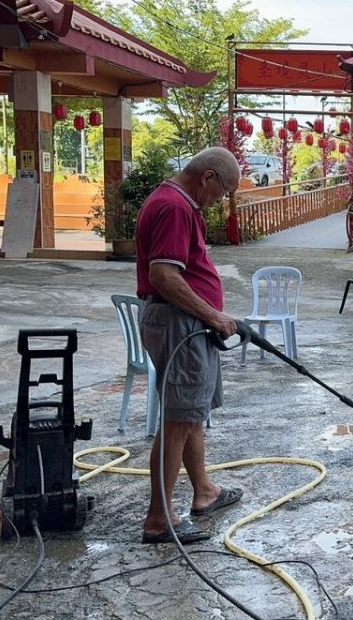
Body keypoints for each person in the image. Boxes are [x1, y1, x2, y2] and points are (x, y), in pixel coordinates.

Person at [136, 147, 243, 544]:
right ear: (208, 178)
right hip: (178, 323)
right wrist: (213, 315)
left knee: (191, 414)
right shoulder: (176, 208)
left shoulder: (173, 201)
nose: (218, 202)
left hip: (184, 323)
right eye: (222, 192)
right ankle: (159, 520)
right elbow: (163, 275)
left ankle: (204, 492)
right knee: (179, 421)